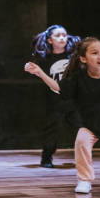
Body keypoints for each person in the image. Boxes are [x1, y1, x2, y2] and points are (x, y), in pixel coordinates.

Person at [25, 37, 100, 194]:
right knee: (82, 141)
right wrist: (40, 73)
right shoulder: (79, 77)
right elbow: (58, 87)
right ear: (83, 58)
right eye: (95, 53)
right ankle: (84, 180)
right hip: (92, 123)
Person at [27, 25, 80, 168]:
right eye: (58, 36)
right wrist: (29, 67)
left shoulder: (73, 57)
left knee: (81, 129)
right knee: (52, 130)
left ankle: (83, 159)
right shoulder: (45, 59)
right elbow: (34, 69)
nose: (62, 38)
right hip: (54, 101)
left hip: (72, 100)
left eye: (64, 35)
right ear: (50, 40)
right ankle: (46, 158)